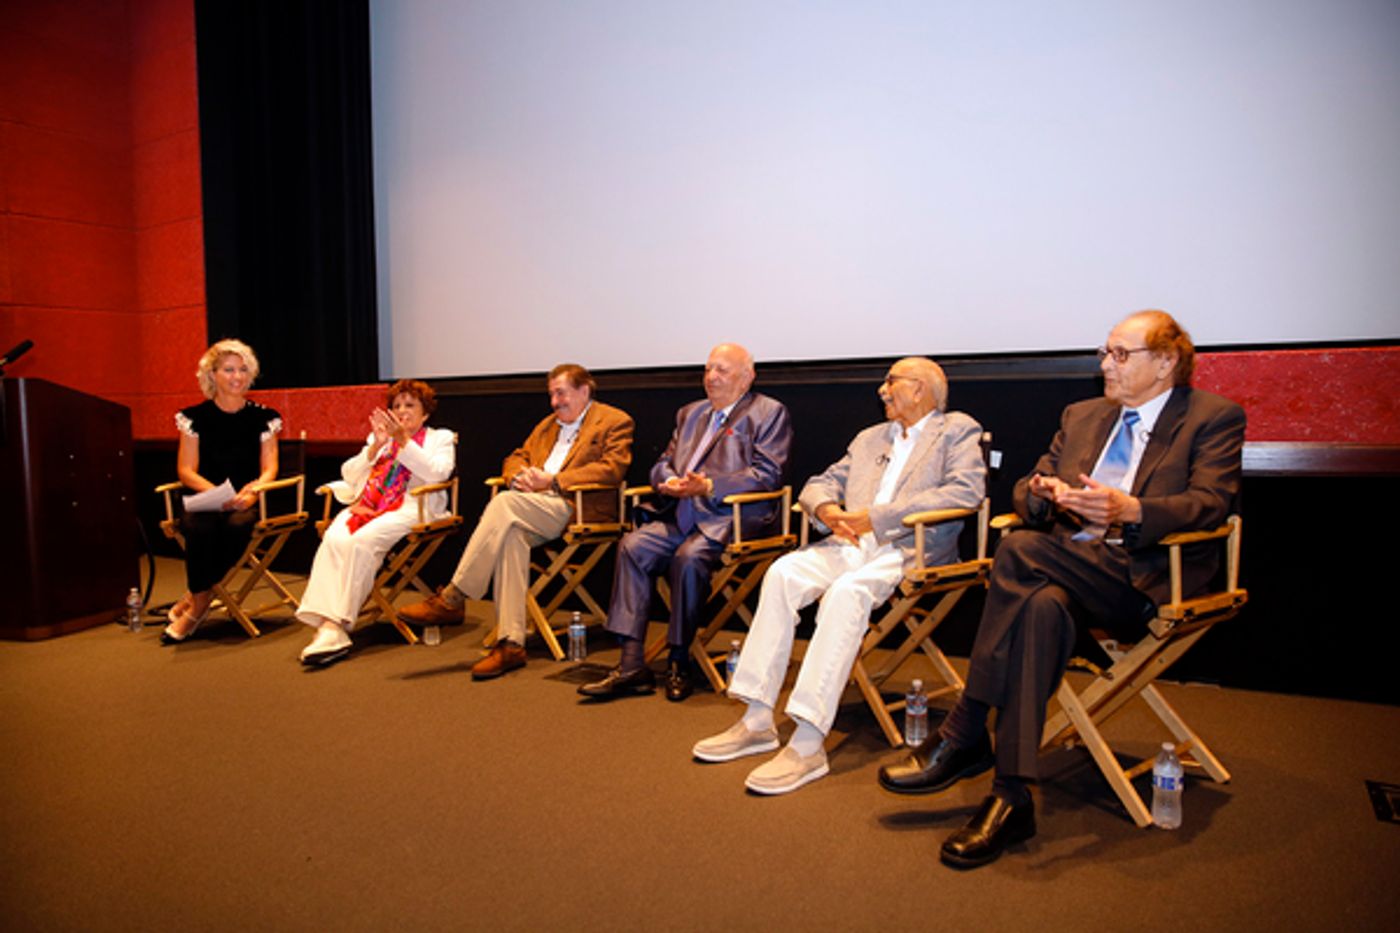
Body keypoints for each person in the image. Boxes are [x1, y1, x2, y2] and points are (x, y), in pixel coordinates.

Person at [877, 310, 1246, 869]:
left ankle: (968, 726)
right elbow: (1026, 488)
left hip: (1139, 576)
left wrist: (1132, 509)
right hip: (1064, 569)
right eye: (1105, 352)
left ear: (1166, 362)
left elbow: (1211, 501)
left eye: (1121, 355)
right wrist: (1046, 495)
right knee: (1041, 608)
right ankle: (1011, 797)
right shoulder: (1083, 415)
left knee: (1021, 550)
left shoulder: (1212, 418)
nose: (1105, 364)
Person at [691, 357, 986, 793]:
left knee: (846, 594)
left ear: (921, 388)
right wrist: (828, 509)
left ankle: (808, 743)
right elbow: (820, 482)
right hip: (849, 541)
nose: (881, 391)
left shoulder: (957, 430)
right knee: (783, 572)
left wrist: (879, 518)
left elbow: (966, 491)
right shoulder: (870, 437)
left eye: (891, 382)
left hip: (909, 549)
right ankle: (756, 719)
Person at [579, 343, 792, 702]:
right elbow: (663, 461)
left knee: (688, 558)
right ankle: (632, 664)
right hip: (679, 516)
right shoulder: (690, 414)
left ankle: (679, 659)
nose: (711, 377)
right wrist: (669, 480)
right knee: (632, 546)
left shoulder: (768, 412)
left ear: (747, 376)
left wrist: (709, 485)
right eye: (708, 369)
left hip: (731, 519)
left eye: (722, 370)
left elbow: (768, 474)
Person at [396, 364, 634, 679]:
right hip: (532, 505)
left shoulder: (614, 421)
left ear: (584, 391)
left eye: (560, 393)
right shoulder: (547, 425)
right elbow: (516, 456)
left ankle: (454, 596)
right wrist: (519, 476)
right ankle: (511, 643)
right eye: (551, 394)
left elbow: (612, 469)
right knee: (511, 535)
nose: (554, 401)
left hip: (575, 506)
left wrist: (552, 481)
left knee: (505, 505)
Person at [297, 380, 456, 666]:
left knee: (360, 541)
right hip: (371, 504)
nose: (402, 412)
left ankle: (335, 627)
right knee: (335, 537)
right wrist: (375, 449)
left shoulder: (439, 438)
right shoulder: (380, 439)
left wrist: (404, 442)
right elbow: (350, 475)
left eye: (410, 405)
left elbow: (437, 473)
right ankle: (327, 623)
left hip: (413, 505)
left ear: (425, 413)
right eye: (396, 406)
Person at [162, 339, 281, 644]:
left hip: (246, 500)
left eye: (243, 370)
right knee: (196, 527)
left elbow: (269, 468)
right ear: (212, 374)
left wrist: (253, 492)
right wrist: (217, 493)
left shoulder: (263, 417)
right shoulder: (193, 417)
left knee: (238, 526)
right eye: (228, 369)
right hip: (206, 497)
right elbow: (186, 470)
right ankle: (202, 600)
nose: (237, 376)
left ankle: (197, 598)